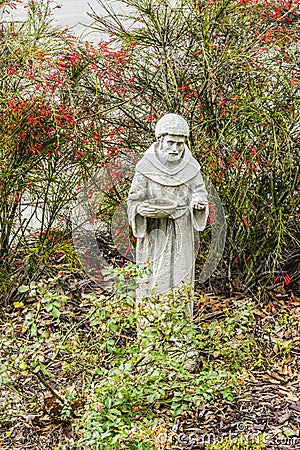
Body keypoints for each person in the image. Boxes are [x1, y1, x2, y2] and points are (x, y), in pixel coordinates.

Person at [127, 113, 208, 299]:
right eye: (170, 142)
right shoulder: (145, 167)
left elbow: (199, 192)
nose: (175, 148)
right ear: (160, 140)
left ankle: (180, 323)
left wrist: (198, 203)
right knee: (152, 276)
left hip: (182, 231)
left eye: (180, 144)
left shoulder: (191, 167)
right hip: (154, 234)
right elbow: (134, 199)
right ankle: (150, 324)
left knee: (180, 278)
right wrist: (139, 210)